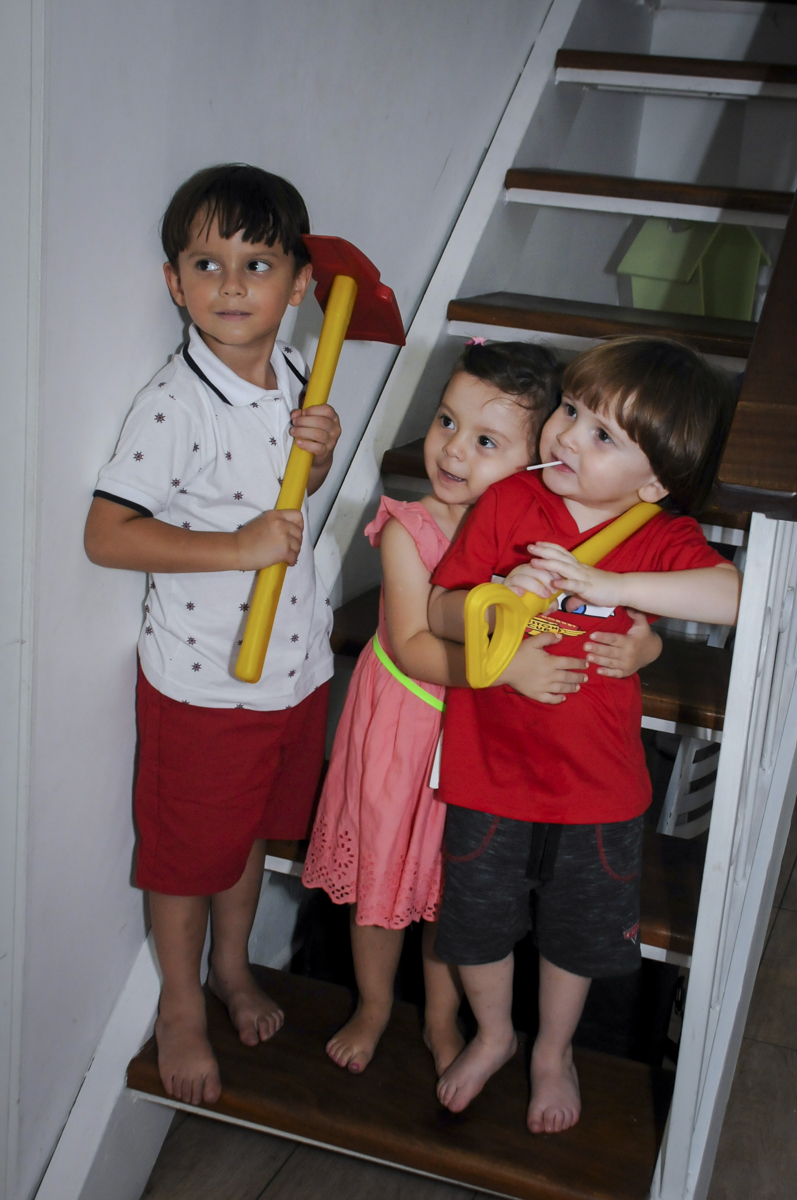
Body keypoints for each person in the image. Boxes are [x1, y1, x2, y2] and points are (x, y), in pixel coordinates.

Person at [302, 340, 663, 1077]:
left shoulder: (541, 538)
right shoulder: (411, 526)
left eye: (486, 440)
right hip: (404, 728)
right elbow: (408, 644)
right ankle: (374, 1003)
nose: (452, 450)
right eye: (444, 422)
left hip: (481, 749)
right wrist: (504, 673)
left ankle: (443, 1016)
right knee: (379, 874)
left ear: (538, 461)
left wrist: (641, 649)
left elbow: (619, 617)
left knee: (450, 888)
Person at [428, 335, 742, 1135]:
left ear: (656, 478)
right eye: (571, 411)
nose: (566, 436)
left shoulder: (656, 535)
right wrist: (492, 596)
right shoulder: (507, 505)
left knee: (573, 933)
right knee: (475, 920)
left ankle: (552, 1051)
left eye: (604, 435)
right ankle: (497, 1033)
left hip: (593, 789)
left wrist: (607, 586)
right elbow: (437, 609)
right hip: (487, 770)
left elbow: (731, 595)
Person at [84, 164, 341, 1107]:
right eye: (208, 262)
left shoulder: (295, 377)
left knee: (247, 840)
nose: (233, 287)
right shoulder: (174, 403)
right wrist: (234, 546)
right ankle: (182, 1004)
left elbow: (283, 498)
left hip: (293, 665)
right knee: (190, 853)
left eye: (258, 263)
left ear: (300, 282)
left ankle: (234, 969)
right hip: (206, 681)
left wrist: (319, 453)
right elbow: (108, 533)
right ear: (174, 282)